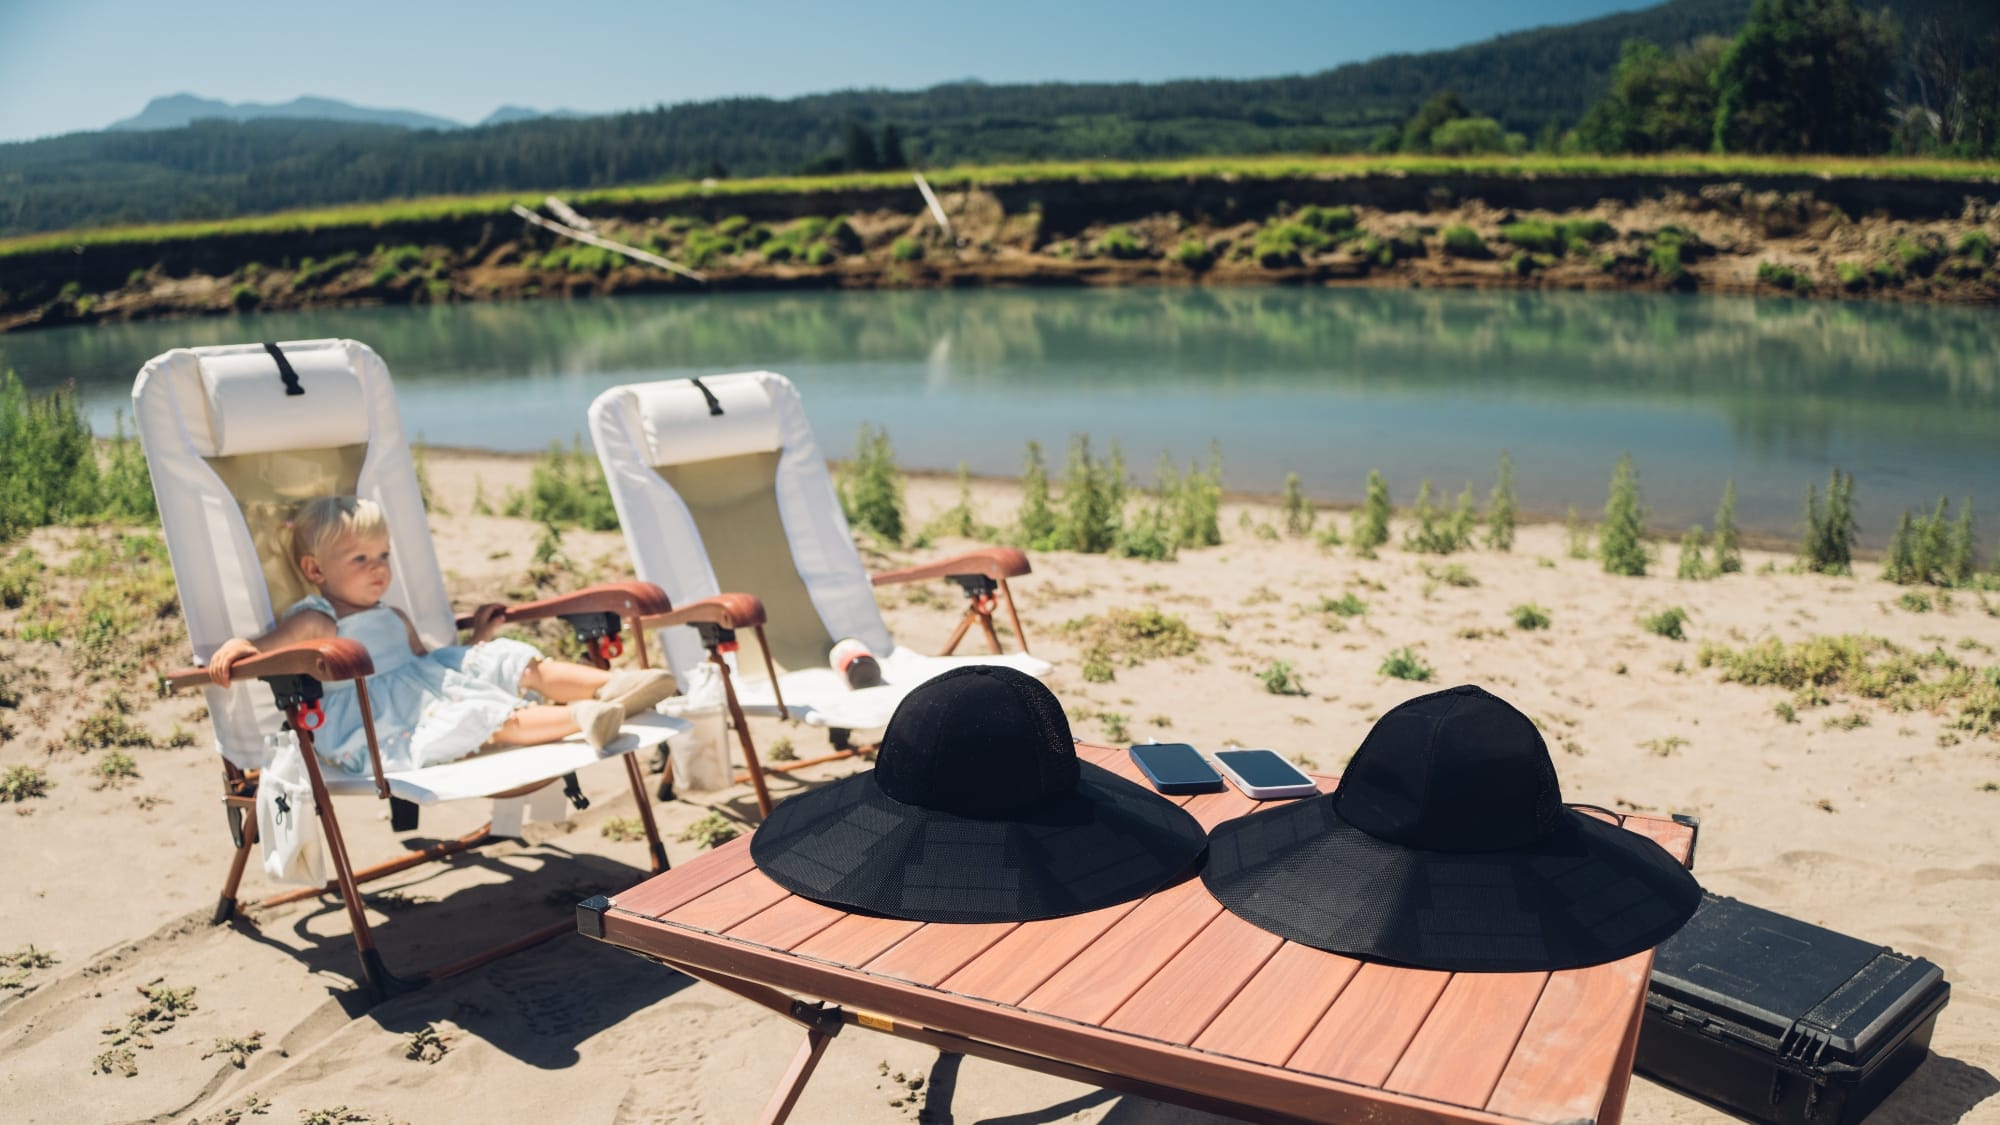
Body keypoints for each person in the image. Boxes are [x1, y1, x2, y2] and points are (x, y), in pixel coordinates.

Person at [208, 496, 675, 775]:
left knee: (506, 658)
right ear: (315, 570)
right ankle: (583, 716)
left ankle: (612, 686)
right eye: (361, 559)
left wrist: (482, 642)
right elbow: (262, 652)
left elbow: (434, 665)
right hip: (375, 716)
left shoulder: (391, 614)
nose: (379, 568)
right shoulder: (319, 618)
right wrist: (237, 647)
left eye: (384, 555)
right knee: (481, 715)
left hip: (420, 686)